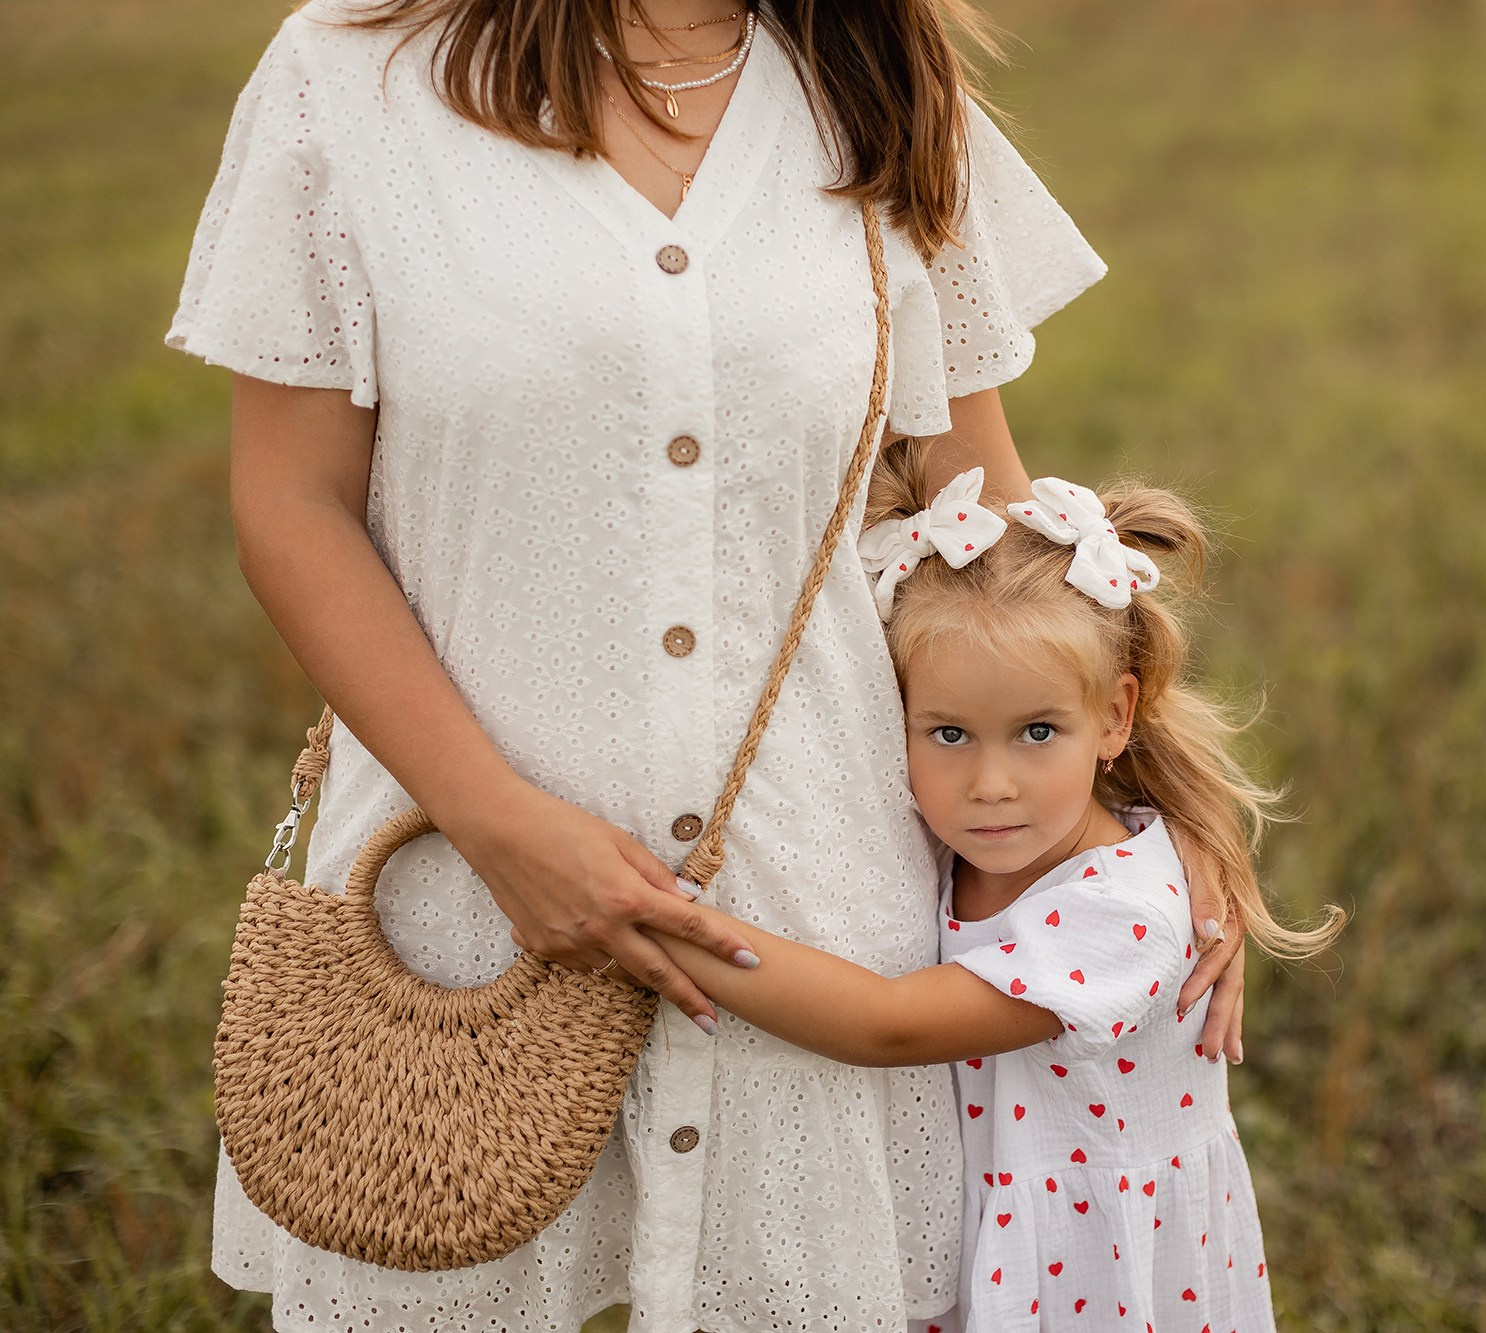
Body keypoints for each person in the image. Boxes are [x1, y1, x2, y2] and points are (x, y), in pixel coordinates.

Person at [166, 0, 1247, 1328]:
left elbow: (995, 534)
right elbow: (293, 508)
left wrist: (1165, 834)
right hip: (458, 910)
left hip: (825, 918)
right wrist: (498, 824)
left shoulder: (881, 88)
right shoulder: (350, 82)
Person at [636, 447, 1343, 1331]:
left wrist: (649, 921)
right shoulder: (952, 844)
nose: (991, 783)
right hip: (1000, 1239)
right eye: (948, 733)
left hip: (1091, 1272)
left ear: (1116, 717)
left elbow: (885, 1023)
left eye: (1037, 730)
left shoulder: (1122, 914)